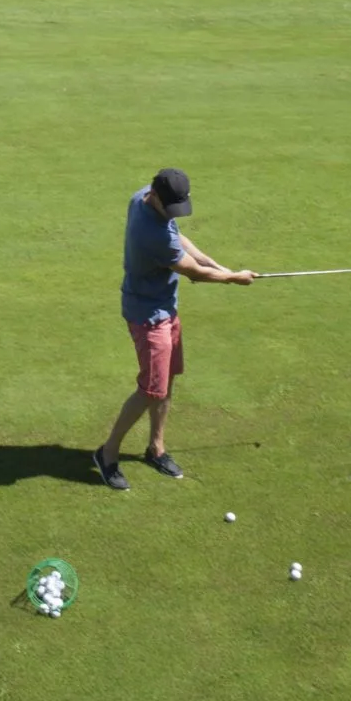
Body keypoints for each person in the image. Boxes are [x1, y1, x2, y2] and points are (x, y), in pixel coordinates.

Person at [94, 169, 256, 490]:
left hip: (165, 307)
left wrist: (217, 265)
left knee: (166, 381)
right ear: (155, 196)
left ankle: (156, 448)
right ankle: (107, 452)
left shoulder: (143, 197)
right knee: (151, 390)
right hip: (148, 315)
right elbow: (192, 271)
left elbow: (179, 238)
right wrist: (232, 278)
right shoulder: (152, 235)